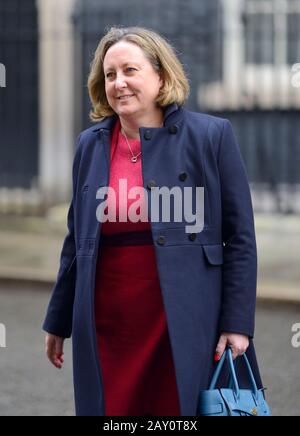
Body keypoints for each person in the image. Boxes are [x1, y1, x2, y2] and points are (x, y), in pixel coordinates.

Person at [43, 26, 264, 416]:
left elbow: (241, 238)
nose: (119, 83)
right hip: (107, 317)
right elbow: (76, 240)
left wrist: (237, 322)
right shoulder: (90, 144)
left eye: (130, 70)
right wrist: (58, 320)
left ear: (161, 76)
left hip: (181, 312)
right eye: (110, 75)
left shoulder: (211, 136)